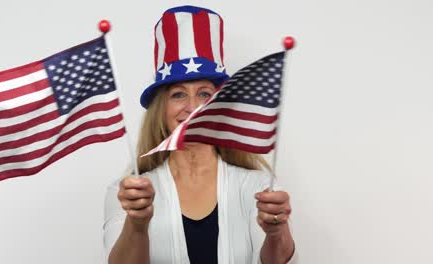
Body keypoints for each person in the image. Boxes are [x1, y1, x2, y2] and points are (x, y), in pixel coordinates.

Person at [103, 5, 296, 264]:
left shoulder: (259, 186)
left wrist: (276, 233)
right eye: (178, 94)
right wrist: (137, 225)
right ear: (160, 109)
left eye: (204, 93)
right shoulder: (128, 192)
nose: (192, 108)